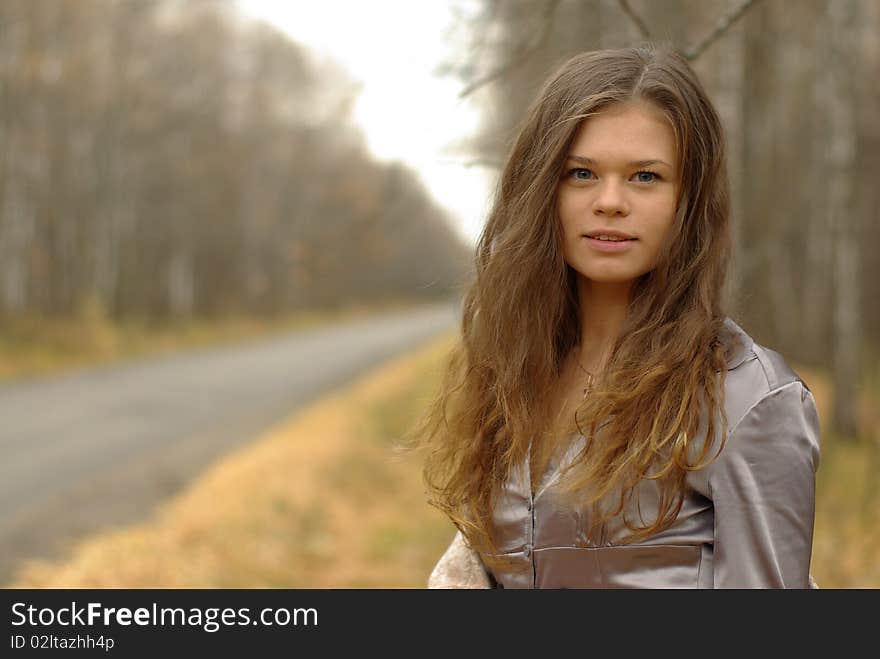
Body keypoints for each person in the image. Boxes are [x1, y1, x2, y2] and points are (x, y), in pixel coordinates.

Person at [417, 44, 821, 589]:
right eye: (581, 173)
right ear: (542, 192)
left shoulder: (747, 399)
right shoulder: (516, 372)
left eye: (645, 177)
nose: (609, 201)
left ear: (689, 200)